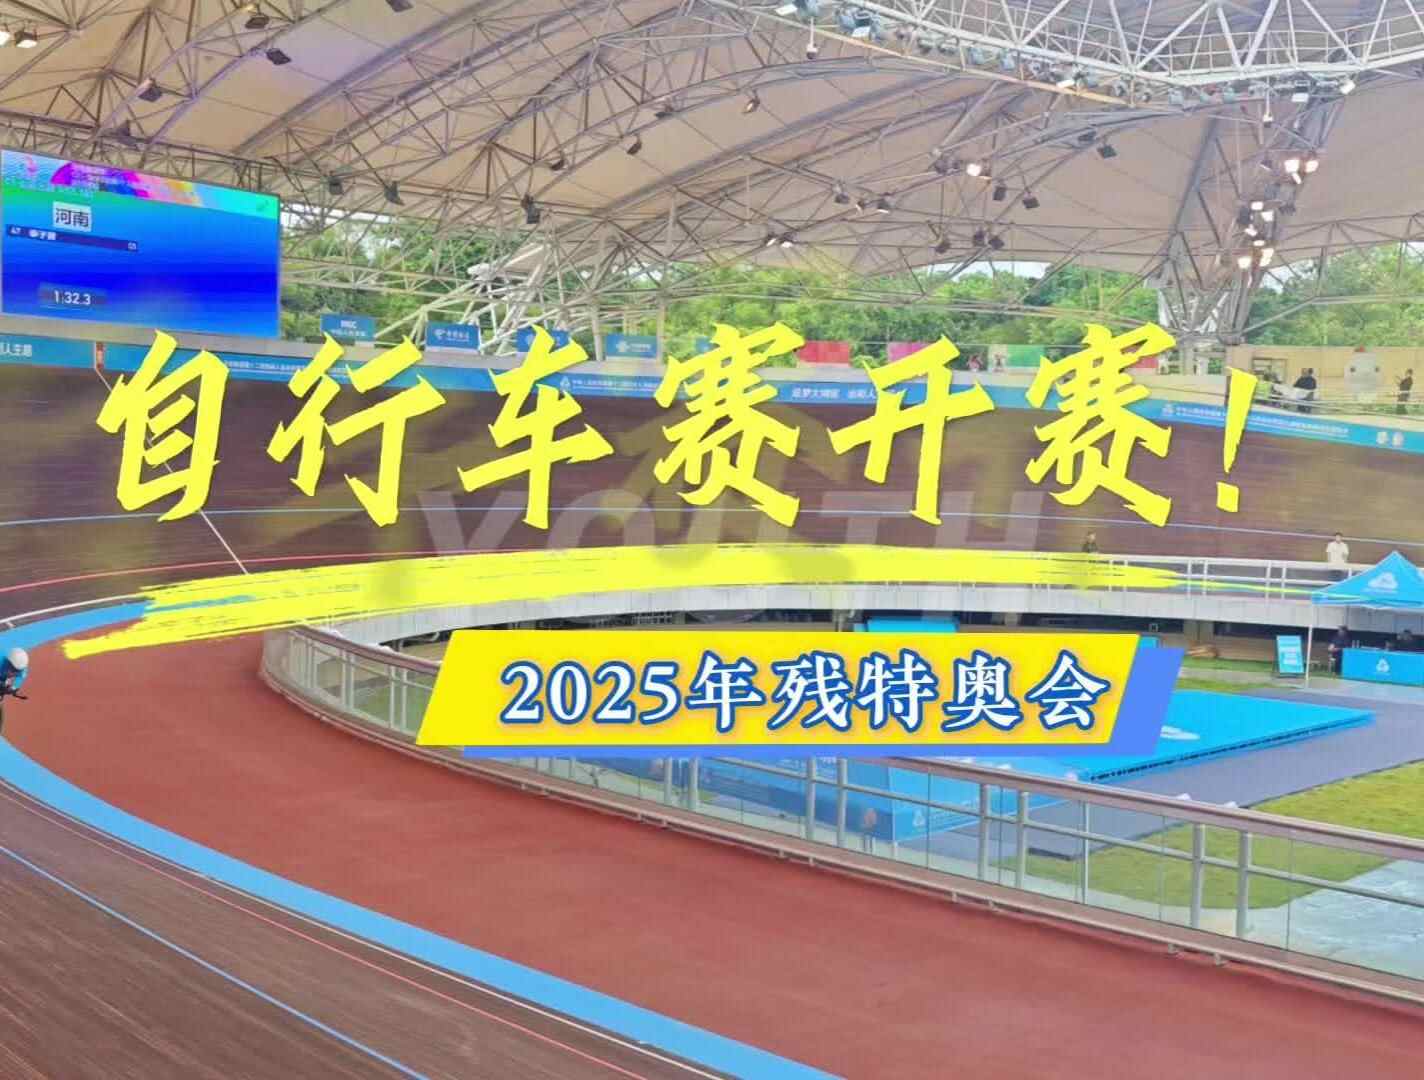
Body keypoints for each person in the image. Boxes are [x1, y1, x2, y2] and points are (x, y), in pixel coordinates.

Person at [0, 647, 28, 735]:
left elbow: (20, 677)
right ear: (8, 662)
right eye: (13, 669)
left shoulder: (21, 668)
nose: (14, 673)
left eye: (17, 671)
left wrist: (13, 688)